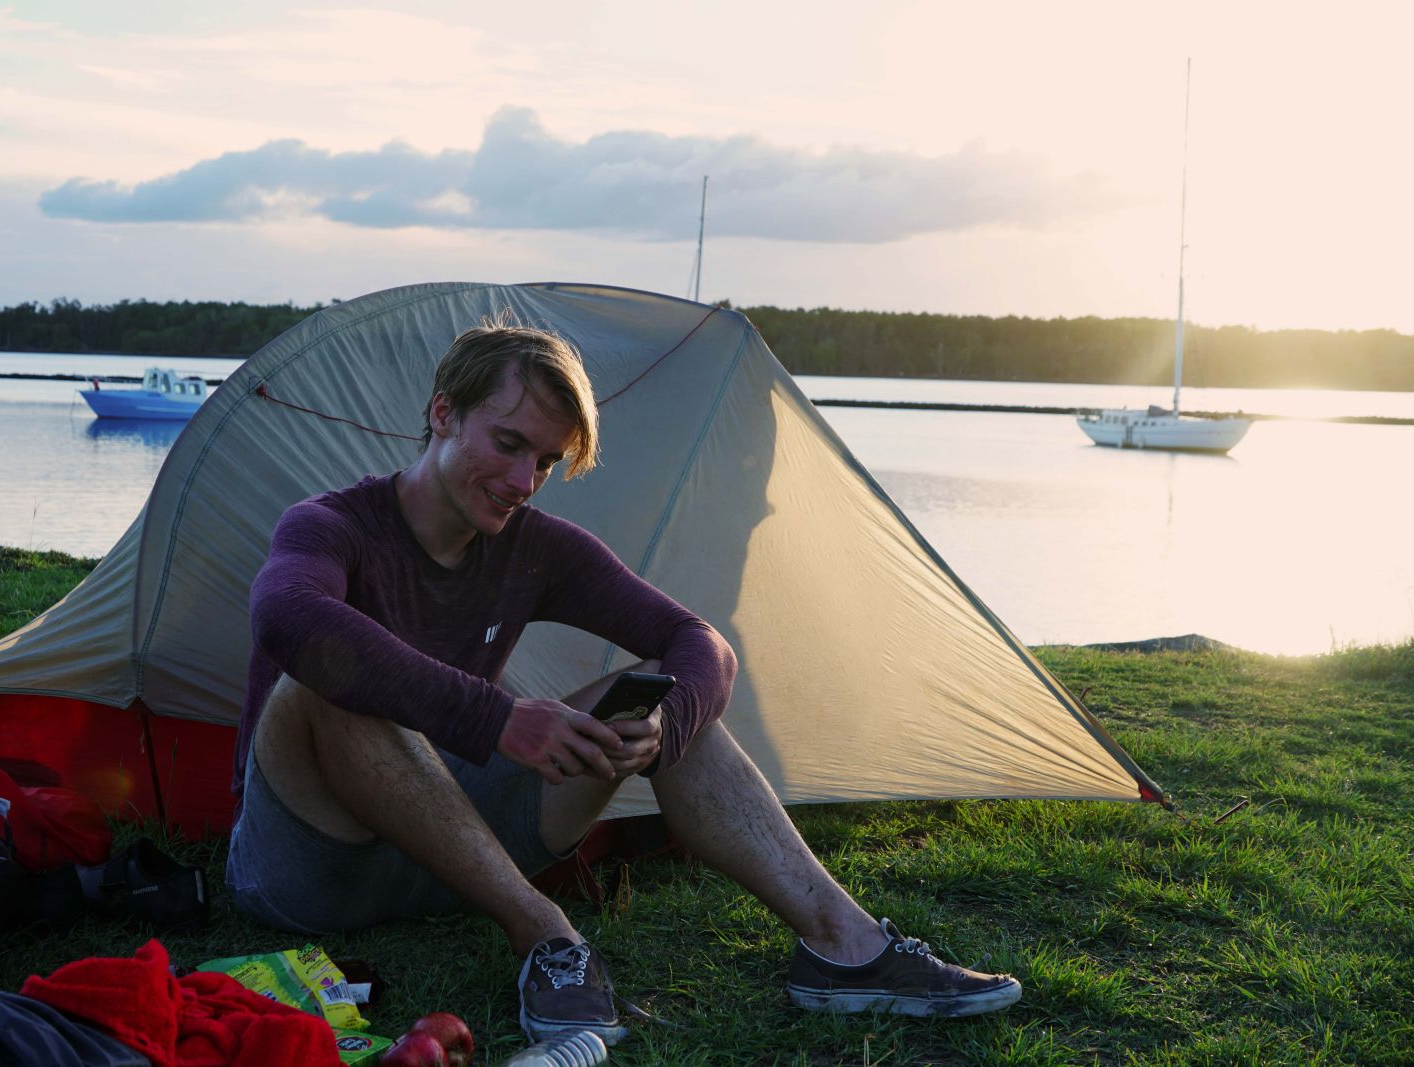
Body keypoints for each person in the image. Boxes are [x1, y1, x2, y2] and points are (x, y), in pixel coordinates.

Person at [224, 318, 1021, 1043]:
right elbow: (288, 618)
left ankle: (846, 945)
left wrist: (664, 728)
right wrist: (499, 719)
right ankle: (549, 937)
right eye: (507, 443)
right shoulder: (329, 525)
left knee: (658, 688)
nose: (522, 479)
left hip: (453, 853)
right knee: (323, 681)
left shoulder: (536, 547)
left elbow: (700, 641)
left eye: (542, 460)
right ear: (442, 414)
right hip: (311, 868)